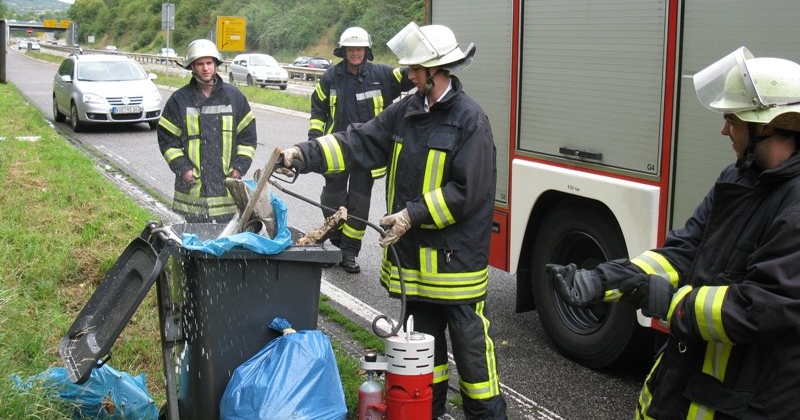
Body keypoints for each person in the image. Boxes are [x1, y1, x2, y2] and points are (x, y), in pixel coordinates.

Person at [547, 47, 800, 419]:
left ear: (766, 126)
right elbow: (687, 248)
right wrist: (605, 280)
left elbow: (763, 306)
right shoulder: (738, 178)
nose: (724, 130)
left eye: (732, 119)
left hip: (746, 399)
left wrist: (672, 303)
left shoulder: (793, 206)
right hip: (690, 376)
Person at [278, 22, 507, 419]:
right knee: (425, 356)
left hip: (455, 268)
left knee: (473, 360)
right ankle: (429, 411)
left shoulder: (470, 120)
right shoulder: (407, 110)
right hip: (416, 268)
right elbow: (359, 140)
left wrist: (412, 214)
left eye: (416, 69)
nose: (410, 75)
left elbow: (467, 191)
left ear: (437, 71)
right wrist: (304, 153)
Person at [308, 26, 413, 273]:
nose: (355, 53)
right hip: (335, 149)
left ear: (367, 50)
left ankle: (349, 253)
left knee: (359, 202)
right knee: (331, 198)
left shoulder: (382, 74)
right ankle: (334, 243)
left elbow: (409, 76)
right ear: (343, 51)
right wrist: (314, 141)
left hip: (367, 150)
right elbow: (318, 110)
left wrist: (418, 57)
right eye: (351, 49)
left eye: (359, 49)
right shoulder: (331, 77)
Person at [157, 38, 257, 223]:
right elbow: (167, 141)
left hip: (226, 191)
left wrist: (238, 168)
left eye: (209, 63)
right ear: (192, 66)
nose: (205, 68)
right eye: (200, 64)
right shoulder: (179, 100)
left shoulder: (234, 97)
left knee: (227, 239)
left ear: (216, 64)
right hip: (193, 193)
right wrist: (184, 169)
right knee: (194, 239)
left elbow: (248, 139)